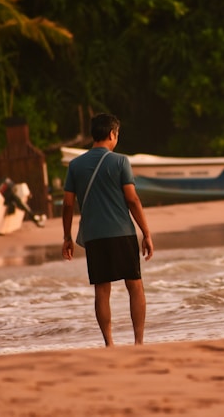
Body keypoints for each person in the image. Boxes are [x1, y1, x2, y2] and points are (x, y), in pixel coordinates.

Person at [61, 113, 154, 347]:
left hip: (93, 236)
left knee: (102, 290)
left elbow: (68, 204)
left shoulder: (75, 165)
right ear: (112, 134)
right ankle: (139, 342)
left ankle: (109, 344)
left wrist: (67, 237)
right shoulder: (120, 162)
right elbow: (132, 200)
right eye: (117, 135)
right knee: (135, 285)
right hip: (122, 232)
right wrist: (147, 233)